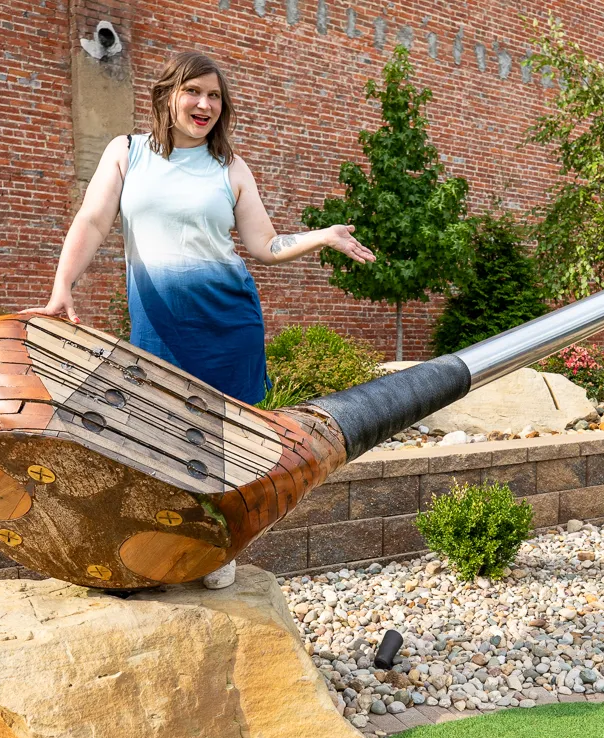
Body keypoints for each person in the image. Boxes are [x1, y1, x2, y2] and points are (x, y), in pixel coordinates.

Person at [26, 50, 374, 590]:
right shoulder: (127, 153)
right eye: (194, 92)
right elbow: (93, 220)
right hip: (160, 325)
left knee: (226, 441)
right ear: (167, 95)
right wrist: (61, 287)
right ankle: (159, 549)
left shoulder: (230, 168)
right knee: (155, 435)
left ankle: (218, 547)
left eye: (214, 96)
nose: (204, 104)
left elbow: (264, 244)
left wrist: (322, 236)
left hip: (228, 323)